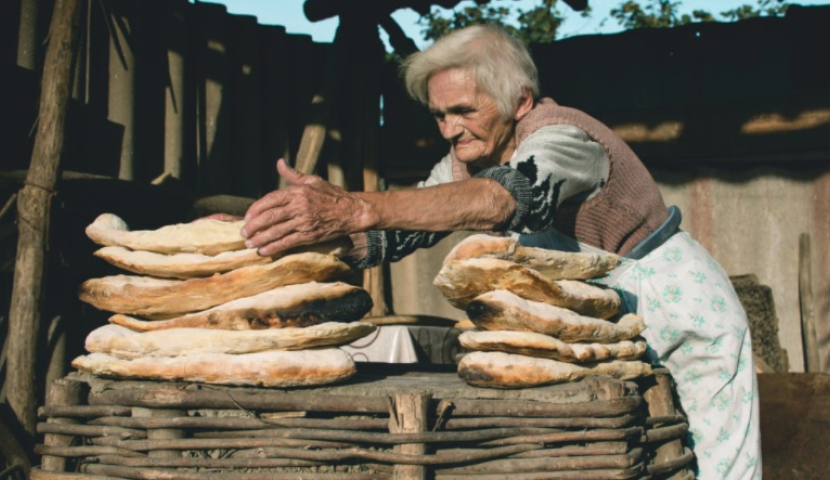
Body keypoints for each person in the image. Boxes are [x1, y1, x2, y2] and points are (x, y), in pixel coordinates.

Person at [239, 25, 761, 479]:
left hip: (676, 308)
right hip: (603, 326)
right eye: (439, 114)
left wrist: (354, 207)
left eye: (464, 110)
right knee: (631, 456)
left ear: (521, 101)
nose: (449, 128)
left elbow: (504, 199)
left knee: (718, 463)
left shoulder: (564, 137)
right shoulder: (465, 160)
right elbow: (391, 233)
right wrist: (259, 234)